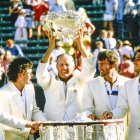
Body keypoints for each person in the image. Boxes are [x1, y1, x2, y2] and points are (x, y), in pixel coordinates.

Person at [36, 28, 95, 121]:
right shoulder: (49, 80)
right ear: (56, 66)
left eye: (67, 65)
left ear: (74, 66)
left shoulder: (80, 79)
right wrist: (50, 48)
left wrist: (81, 46)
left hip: (76, 126)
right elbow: (40, 73)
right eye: (61, 65)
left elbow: (90, 69)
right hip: (52, 126)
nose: (64, 68)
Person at [0, 57, 46, 140]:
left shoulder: (30, 87)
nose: (32, 75)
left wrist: (45, 125)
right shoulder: (3, 93)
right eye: (29, 73)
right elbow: (4, 123)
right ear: (20, 75)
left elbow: (35, 111)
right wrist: (27, 130)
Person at [101, 49, 140, 140]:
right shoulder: (128, 84)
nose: (134, 62)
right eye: (135, 58)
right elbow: (122, 108)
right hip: (134, 135)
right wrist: (111, 114)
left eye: (138, 59)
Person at [82, 50, 129, 120]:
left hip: (122, 129)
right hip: (99, 129)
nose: (99, 67)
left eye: (103, 64)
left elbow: (125, 107)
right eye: (98, 64)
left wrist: (112, 114)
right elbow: (87, 109)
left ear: (114, 65)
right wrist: (89, 115)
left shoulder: (127, 83)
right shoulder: (90, 84)